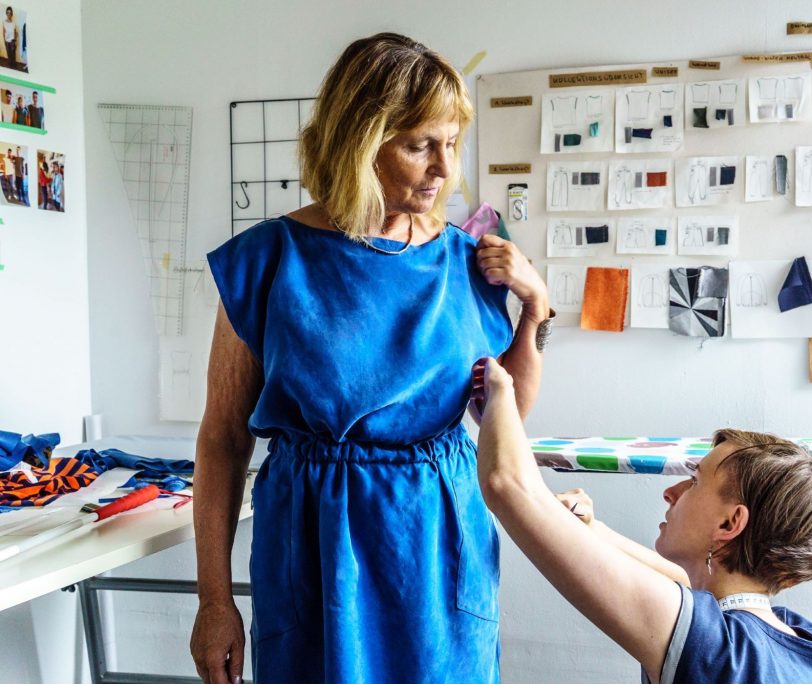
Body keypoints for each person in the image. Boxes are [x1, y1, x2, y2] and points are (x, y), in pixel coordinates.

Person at [190, 33, 551, 684]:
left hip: (436, 550)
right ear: (360, 142)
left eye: (452, 143)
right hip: (310, 551)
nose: (447, 169)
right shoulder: (266, 262)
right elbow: (221, 438)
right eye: (420, 145)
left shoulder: (465, 262)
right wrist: (214, 601)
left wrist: (535, 307)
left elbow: (507, 420)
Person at [473, 358, 812, 684]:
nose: (671, 492)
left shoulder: (716, 650)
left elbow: (506, 484)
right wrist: (591, 530)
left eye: (696, 481)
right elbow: (684, 586)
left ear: (729, 524)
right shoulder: (804, 642)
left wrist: (502, 389)